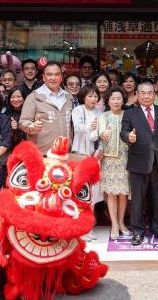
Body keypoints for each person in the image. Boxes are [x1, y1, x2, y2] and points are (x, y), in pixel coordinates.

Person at [121, 81, 158, 246]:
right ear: (137, 94)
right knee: (138, 200)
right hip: (139, 161)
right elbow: (124, 131)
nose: (147, 96)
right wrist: (129, 137)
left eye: (150, 92)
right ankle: (138, 231)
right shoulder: (130, 113)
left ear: (155, 93)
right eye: (143, 93)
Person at [97, 86, 132, 240]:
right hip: (109, 159)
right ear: (108, 101)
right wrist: (103, 135)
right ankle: (114, 225)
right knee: (111, 194)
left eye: (119, 98)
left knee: (123, 193)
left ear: (123, 100)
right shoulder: (103, 116)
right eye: (113, 98)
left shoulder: (128, 115)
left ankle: (121, 222)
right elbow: (101, 134)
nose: (116, 101)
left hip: (125, 158)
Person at [19, 62, 74, 155]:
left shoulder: (68, 97)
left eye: (57, 74)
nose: (53, 78)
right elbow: (23, 122)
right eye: (49, 74)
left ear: (61, 77)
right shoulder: (34, 97)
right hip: (42, 153)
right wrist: (31, 127)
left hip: (65, 152)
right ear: (43, 77)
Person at [72, 84, 102, 241]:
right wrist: (89, 127)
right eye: (90, 96)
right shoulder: (78, 110)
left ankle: (89, 226)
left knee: (93, 193)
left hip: (95, 156)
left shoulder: (99, 111)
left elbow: (102, 132)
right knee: (82, 192)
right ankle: (80, 227)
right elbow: (77, 128)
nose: (93, 98)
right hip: (81, 155)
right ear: (83, 97)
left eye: (95, 96)